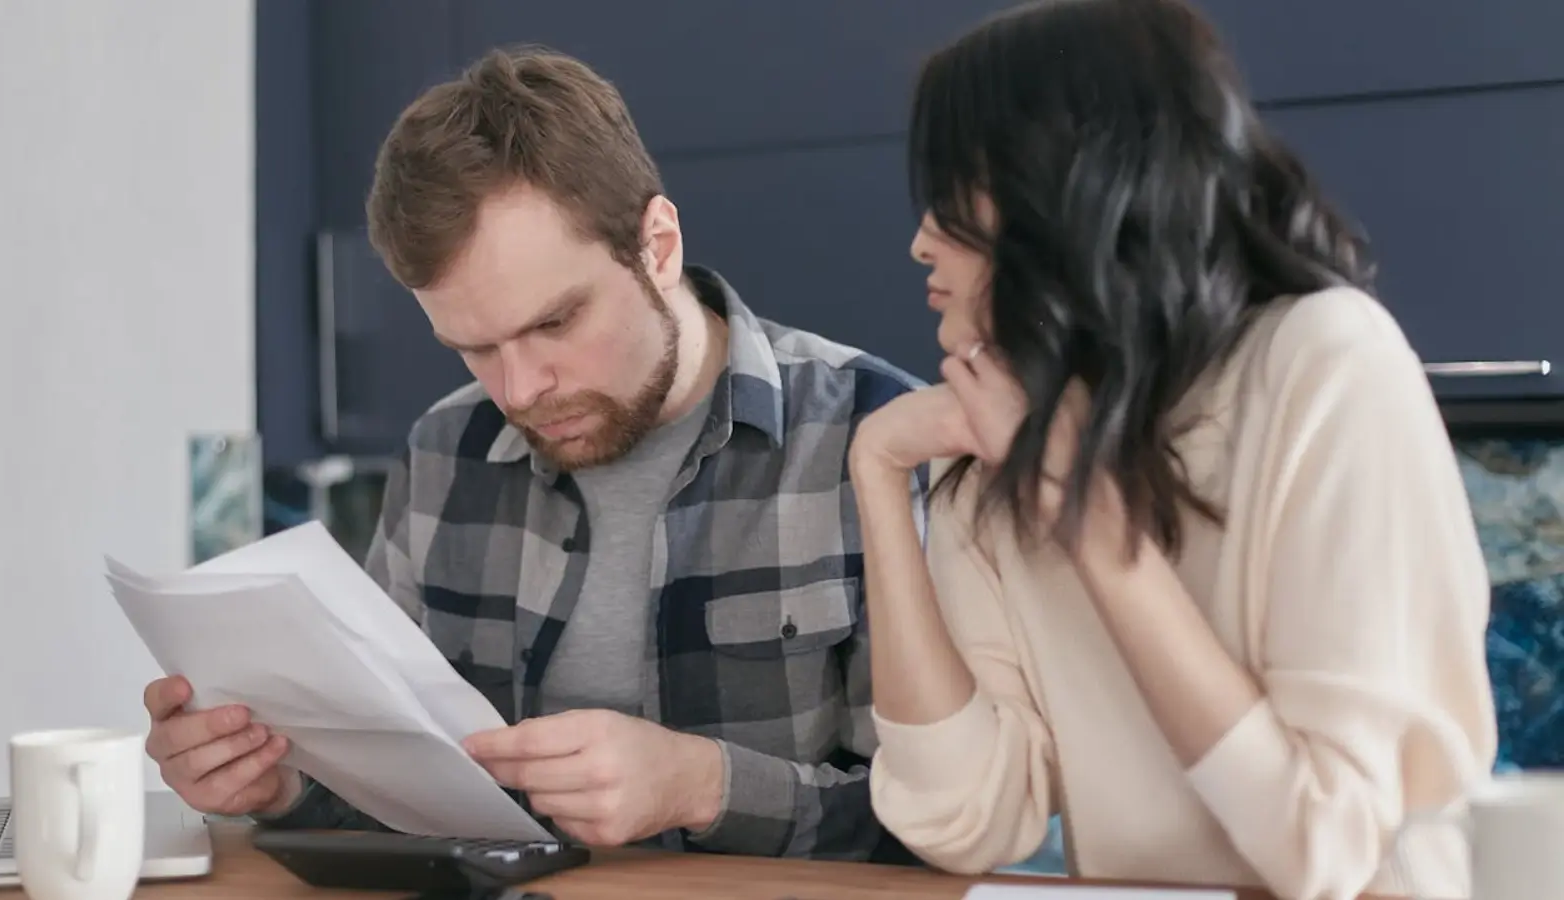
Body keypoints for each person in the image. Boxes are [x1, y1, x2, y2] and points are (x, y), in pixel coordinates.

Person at [139, 45, 925, 861]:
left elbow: (958, 825)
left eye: (554, 323)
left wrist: (705, 785)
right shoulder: (447, 451)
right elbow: (399, 790)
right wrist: (283, 785)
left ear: (657, 246)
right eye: (472, 347)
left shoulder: (874, 439)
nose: (519, 392)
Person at [849, 1, 1497, 898]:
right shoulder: (1000, 437)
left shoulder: (1326, 364)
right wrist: (879, 473)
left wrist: (1093, 529)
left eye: (954, 191)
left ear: (1063, 187)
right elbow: (961, 820)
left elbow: (1330, 849)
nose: (921, 240)